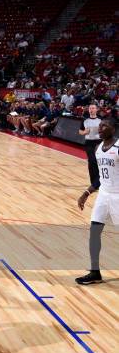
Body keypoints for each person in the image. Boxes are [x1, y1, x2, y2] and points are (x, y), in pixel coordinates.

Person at [76, 118, 118, 285]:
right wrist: (87, 192)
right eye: (100, 126)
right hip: (104, 195)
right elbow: (101, 177)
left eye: (104, 125)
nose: (100, 128)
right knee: (94, 232)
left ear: (113, 129)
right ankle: (95, 272)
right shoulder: (98, 148)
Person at [79, 104, 102, 186]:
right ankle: (94, 183)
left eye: (93, 108)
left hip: (99, 142)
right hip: (89, 142)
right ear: (88, 110)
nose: (91, 109)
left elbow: (105, 129)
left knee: (98, 162)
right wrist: (84, 132)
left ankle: (99, 181)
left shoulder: (100, 120)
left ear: (96, 110)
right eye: (90, 108)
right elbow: (80, 131)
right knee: (92, 161)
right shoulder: (85, 120)